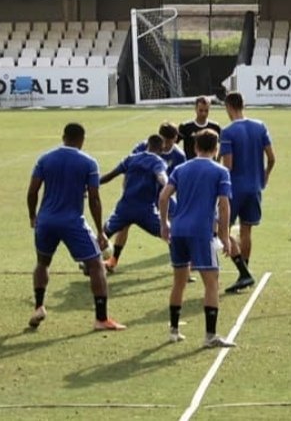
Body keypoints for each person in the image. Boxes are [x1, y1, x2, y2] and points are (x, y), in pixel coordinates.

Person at [27, 123, 125, 331]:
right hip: (72, 222)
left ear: (63, 137)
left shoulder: (45, 158)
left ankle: (39, 306)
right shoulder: (88, 162)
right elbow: (94, 199)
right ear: (82, 139)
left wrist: (33, 217)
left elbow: (32, 191)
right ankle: (101, 318)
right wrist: (100, 231)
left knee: (42, 263)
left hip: (46, 220)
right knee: (97, 265)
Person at [159, 129, 236, 348]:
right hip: (201, 233)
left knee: (179, 282)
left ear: (195, 147)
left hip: (179, 231)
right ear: (216, 148)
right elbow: (223, 205)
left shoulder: (181, 169)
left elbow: (164, 196)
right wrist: (225, 236)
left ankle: (174, 331)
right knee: (212, 282)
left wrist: (164, 224)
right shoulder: (220, 172)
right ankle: (210, 336)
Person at [106, 123, 187, 271]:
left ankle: (182, 265)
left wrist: (172, 192)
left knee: (176, 224)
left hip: (163, 193)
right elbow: (129, 169)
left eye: (170, 141)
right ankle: (113, 260)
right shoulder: (144, 147)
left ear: (175, 139)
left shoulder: (179, 156)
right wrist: (127, 190)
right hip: (140, 192)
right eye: (165, 140)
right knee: (124, 226)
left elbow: (177, 180)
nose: (167, 144)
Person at [219, 91, 274, 293]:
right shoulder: (260, 127)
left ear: (228, 107)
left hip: (234, 189)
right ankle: (246, 272)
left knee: (220, 229)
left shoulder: (228, 132)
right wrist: (265, 176)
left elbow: (228, 166)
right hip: (254, 188)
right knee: (246, 230)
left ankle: (243, 272)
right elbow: (272, 158)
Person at [97, 134, 169, 274]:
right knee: (170, 235)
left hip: (125, 208)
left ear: (148, 145)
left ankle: (87, 261)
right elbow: (161, 176)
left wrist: (91, 184)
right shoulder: (158, 161)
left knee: (104, 233)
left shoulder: (131, 158)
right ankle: (183, 268)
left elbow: (110, 176)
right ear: (162, 148)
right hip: (146, 211)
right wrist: (169, 186)